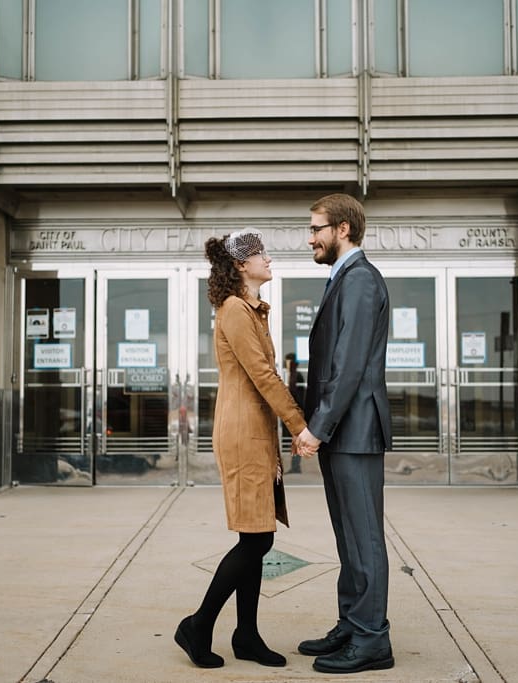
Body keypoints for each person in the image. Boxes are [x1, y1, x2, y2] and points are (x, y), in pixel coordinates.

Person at [175, 229, 308, 670]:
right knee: (256, 539)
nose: (269, 260)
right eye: (261, 255)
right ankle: (199, 624)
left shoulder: (252, 310)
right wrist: (300, 425)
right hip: (242, 433)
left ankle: (246, 635)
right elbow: (263, 376)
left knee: (256, 536)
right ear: (240, 266)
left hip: (255, 431)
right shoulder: (235, 310)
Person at [294, 193, 394, 674]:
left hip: (353, 430)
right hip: (343, 433)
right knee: (349, 538)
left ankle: (372, 638)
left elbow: (349, 365)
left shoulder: (358, 280)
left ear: (343, 230)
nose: (310, 238)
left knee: (365, 537)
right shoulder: (345, 279)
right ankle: (352, 624)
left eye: (316, 229)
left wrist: (318, 428)